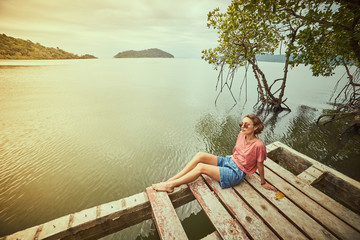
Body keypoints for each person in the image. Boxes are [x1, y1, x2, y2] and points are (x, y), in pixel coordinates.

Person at [152, 114, 277, 193]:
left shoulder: (258, 145)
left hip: (236, 173)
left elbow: (260, 164)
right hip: (229, 161)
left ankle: (171, 186)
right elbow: (237, 152)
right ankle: (171, 179)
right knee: (200, 155)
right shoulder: (241, 135)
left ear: (255, 127)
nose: (242, 127)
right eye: (241, 124)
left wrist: (263, 182)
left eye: (246, 124)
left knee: (201, 167)